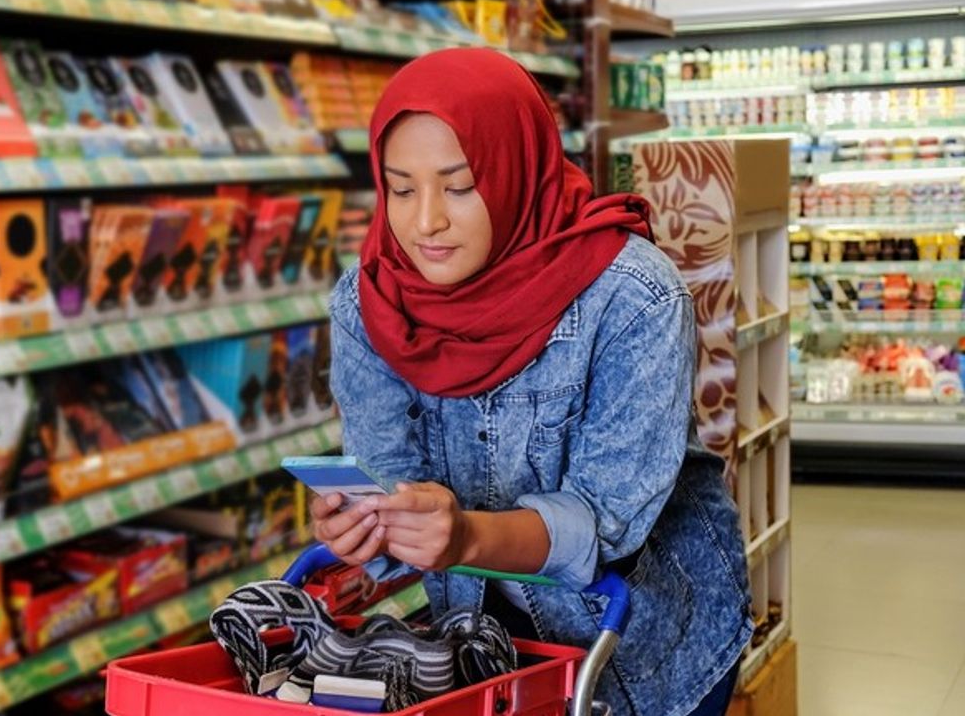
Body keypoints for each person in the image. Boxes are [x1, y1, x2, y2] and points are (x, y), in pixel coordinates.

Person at [310, 48, 753, 716]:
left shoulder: (634, 296)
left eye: (459, 186)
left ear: (515, 169)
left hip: (646, 644)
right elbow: (390, 478)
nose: (425, 221)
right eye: (401, 189)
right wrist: (371, 527)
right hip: (482, 643)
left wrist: (464, 537)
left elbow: (604, 522)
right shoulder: (372, 301)